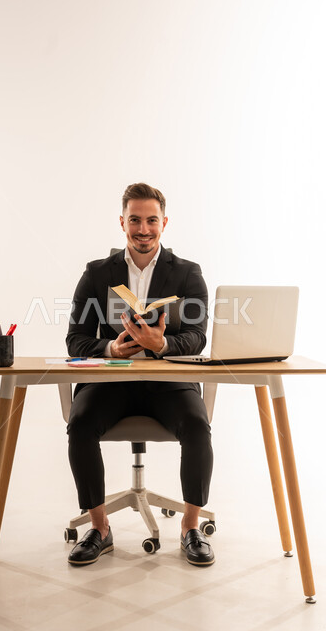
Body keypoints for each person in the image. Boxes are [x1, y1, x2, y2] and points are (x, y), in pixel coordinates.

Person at [66, 182, 214, 567]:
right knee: (80, 422)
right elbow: (75, 339)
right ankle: (99, 528)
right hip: (113, 381)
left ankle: (190, 525)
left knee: (197, 424)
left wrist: (162, 345)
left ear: (164, 223)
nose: (143, 229)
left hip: (168, 383)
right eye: (135, 220)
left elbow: (197, 337)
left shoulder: (187, 273)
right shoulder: (98, 273)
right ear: (122, 222)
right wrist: (110, 349)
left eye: (151, 220)